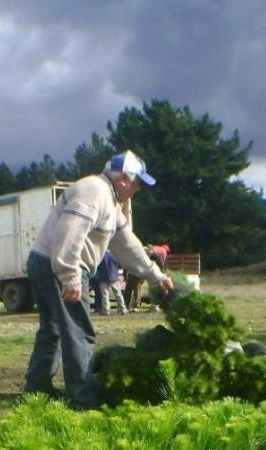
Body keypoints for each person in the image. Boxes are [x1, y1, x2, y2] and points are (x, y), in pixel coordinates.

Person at [23, 150, 173, 409]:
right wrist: (70, 276)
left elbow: (127, 244)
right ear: (125, 178)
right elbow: (69, 234)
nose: (138, 189)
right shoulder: (94, 191)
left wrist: (154, 275)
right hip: (58, 266)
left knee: (54, 330)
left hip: (45, 263)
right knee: (79, 331)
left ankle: (37, 390)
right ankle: (82, 399)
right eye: (138, 182)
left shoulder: (111, 202)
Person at [93, 250, 127, 315]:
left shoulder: (100, 256)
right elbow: (120, 266)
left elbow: (97, 267)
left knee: (105, 295)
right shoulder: (114, 255)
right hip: (114, 277)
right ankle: (122, 309)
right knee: (118, 294)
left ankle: (106, 310)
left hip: (103, 277)